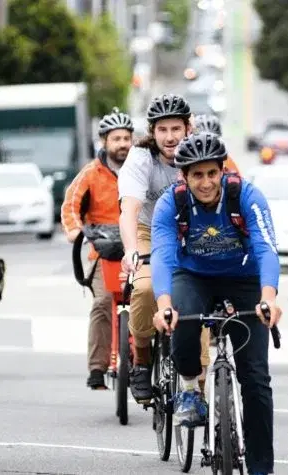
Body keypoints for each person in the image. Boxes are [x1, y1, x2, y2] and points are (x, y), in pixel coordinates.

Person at [150, 132, 282, 475]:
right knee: (181, 322)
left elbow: (266, 248)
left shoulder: (247, 196)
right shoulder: (171, 203)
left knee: (256, 378)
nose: (206, 182)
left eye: (212, 173)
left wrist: (268, 299)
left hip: (244, 278)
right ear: (184, 176)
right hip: (193, 275)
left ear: (223, 170)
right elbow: (163, 254)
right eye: (197, 175)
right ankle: (190, 389)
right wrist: (164, 305)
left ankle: (260, 469)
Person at [118, 93, 211, 402]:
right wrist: (131, 249)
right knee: (145, 288)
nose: (170, 137)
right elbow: (129, 210)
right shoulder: (140, 158)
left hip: (192, 231)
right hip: (148, 230)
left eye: (176, 129)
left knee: (197, 299)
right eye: (162, 130)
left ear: (188, 129)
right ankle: (142, 358)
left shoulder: (200, 152)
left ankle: (198, 388)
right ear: (152, 132)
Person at [62, 107, 133, 389]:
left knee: (147, 299)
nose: (122, 144)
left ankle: (145, 360)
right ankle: (97, 368)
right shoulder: (91, 173)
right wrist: (74, 230)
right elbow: (71, 204)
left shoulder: (140, 168)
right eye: (116, 139)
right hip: (102, 251)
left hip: (138, 247)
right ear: (104, 141)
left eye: (126, 138)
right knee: (102, 302)